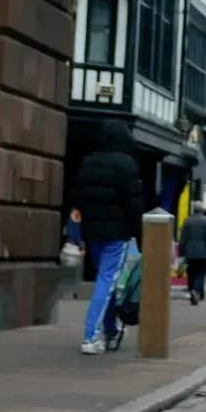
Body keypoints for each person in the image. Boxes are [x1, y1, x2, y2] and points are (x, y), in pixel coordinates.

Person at [72, 120, 146, 354]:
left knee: (108, 280)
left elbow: (78, 196)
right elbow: (134, 206)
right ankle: (90, 336)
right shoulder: (127, 165)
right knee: (107, 280)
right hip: (117, 233)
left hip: (93, 232)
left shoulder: (88, 162)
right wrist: (141, 238)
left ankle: (110, 330)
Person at [178, 202, 206, 305]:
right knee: (200, 273)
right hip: (204, 252)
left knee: (191, 273)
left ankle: (193, 292)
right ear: (202, 210)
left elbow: (183, 238)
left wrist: (181, 252)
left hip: (190, 252)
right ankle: (196, 290)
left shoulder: (187, 221)